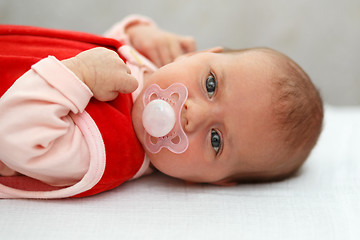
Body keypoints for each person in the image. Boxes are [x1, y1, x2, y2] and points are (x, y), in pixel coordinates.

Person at [0, 15, 323, 198]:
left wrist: (81, 75)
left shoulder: (101, 153)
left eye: (216, 140)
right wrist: (140, 32)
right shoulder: (149, 70)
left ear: (206, 181)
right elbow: (103, 47)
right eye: (210, 84)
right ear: (198, 55)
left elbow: (13, 132)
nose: (193, 114)